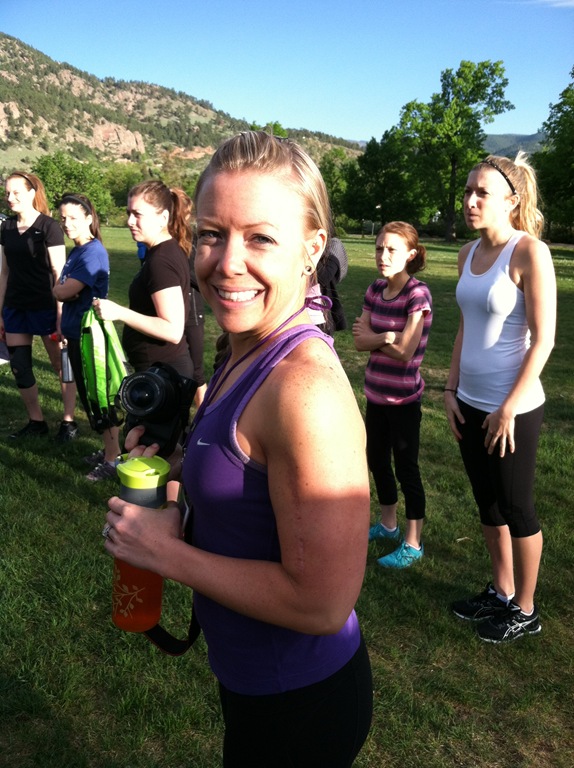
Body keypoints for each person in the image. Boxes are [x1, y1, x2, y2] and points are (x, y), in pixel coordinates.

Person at [102, 131, 373, 767]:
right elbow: (247, 472)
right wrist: (178, 468)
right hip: (254, 687)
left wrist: (165, 553)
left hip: (299, 706)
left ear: (311, 248)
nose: (227, 263)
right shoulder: (242, 345)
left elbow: (322, 602)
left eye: (260, 238)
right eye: (212, 234)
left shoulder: (304, 390)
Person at [445, 153, 556, 644]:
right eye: (468, 190)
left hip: (514, 408)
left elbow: (544, 340)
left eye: (481, 193)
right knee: (487, 505)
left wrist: (508, 407)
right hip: (468, 401)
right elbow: (465, 328)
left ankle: (526, 609)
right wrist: (450, 389)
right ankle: (501, 590)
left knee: (516, 507)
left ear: (511, 201)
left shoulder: (529, 252)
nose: (470, 200)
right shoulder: (467, 254)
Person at [93, 180, 193, 480]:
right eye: (128, 213)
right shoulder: (160, 253)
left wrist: (119, 312)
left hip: (163, 376)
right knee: (160, 454)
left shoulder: (161, 261)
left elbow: (173, 328)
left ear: (163, 217)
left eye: (137, 214)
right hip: (159, 373)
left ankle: (159, 506)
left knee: (158, 460)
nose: (129, 221)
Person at [353, 222, 432, 569]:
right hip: (375, 394)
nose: (382, 256)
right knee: (377, 461)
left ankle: (413, 543)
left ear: (410, 255)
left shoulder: (417, 295)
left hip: (403, 401)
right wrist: (387, 337)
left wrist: (380, 338)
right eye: (379, 248)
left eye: (391, 250)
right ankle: (388, 524)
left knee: (406, 469)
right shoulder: (375, 289)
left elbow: (406, 351)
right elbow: (359, 341)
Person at [0, 171, 77, 440]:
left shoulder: (48, 226)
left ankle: (68, 422)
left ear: (32, 193)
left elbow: (59, 272)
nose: (10, 198)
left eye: (16, 192)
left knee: (60, 364)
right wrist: (0, 312)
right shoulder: (6, 228)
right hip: (15, 307)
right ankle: (36, 421)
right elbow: (4, 272)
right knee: (20, 366)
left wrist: (60, 313)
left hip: (46, 305)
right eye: (7, 193)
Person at [52, 194, 121, 479]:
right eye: (63, 218)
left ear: (89, 219)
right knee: (90, 396)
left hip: (91, 337)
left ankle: (113, 460)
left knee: (100, 397)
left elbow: (62, 290)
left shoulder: (92, 253)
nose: (67, 224)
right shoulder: (77, 251)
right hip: (75, 333)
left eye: (73, 218)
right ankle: (108, 451)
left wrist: (62, 289)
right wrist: (63, 289)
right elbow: (63, 288)